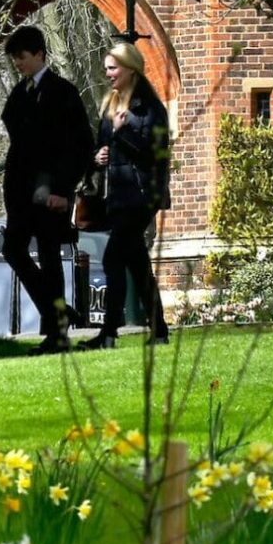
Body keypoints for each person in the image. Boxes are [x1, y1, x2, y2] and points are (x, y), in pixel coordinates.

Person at [0, 26, 94, 352]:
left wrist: (63, 190)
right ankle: (59, 314)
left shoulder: (62, 93)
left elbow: (79, 146)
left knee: (51, 257)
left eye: (22, 57)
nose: (18, 64)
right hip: (21, 192)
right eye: (14, 59)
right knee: (13, 250)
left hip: (51, 191)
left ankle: (56, 333)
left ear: (39, 53)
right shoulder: (19, 94)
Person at [89, 40, 171, 350]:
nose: (107, 73)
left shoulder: (149, 108)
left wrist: (124, 131)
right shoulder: (110, 105)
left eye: (112, 68)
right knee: (136, 262)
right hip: (118, 196)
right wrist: (97, 157)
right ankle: (159, 330)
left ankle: (108, 333)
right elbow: (99, 147)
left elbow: (155, 152)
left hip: (141, 196)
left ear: (130, 69)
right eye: (107, 68)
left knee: (113, 259)